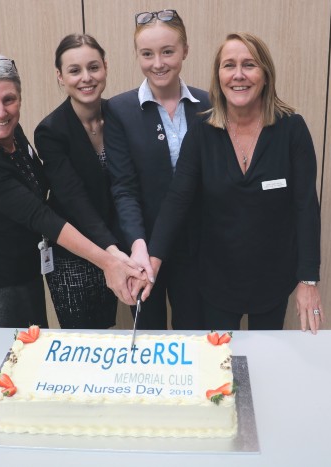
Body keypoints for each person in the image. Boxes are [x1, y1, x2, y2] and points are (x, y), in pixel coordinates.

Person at [0, 55, 145, 328]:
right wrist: (109, 261)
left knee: (32, 352)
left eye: (9, 99)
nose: (1, 112)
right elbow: (39, 214)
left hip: (25, 269)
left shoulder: (12, 134)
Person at [148, 33, 324, 332]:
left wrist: (308, 280)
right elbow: (177, 200)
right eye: (229, 65)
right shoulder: (203, 133)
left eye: (249, 65)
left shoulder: (292, 130)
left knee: (265, 365)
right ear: (219, 77)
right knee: (219, 366)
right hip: (216, 281)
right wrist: (152, 263)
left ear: (265, 74)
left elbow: (306, 206)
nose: (239, 75)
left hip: (273, 279)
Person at [105, 9, 210, 330]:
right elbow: (123, 187)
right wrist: (137, 242)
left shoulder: (209, 106)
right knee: (148, 340)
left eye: (168, 51)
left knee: (193, 338)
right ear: (137, 55)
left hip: (198, 249)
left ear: (185, 51)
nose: (158, 63)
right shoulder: (119, 109)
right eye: (147, 54)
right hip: (143, 250)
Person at [34, 34, 123, 329]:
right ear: (60, 77)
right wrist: (110, 251)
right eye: (74, 70)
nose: (86, 78)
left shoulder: (122, 115)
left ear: (106, 68)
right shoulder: (50, 130)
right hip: (75, 252)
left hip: (117, 246)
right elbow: (73, 198)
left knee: (112, 333)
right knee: (83, 341)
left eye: (93, 67)